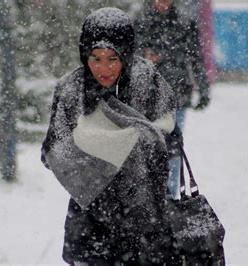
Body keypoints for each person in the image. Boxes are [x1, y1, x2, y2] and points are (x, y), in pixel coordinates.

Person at [41, 7, 182, 265]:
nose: (103, 68)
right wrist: (105, 152)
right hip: (90, 226)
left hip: (145, 225)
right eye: (95, 58)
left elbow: (171, 141)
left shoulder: (149, 82)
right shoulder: (71, 91)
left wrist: (121, 144)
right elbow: (52, 152)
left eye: (112, 59)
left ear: (126, 55)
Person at [135, 0, 211, 200]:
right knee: (149, 147)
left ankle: (170, 197)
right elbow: (130, 57)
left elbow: (196, 58)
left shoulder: (185, 23)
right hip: (147, 96)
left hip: (177, 94)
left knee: (173, 147)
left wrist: (203, 90)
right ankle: (152, 196)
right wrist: (145, 57)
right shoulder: (141, 22)